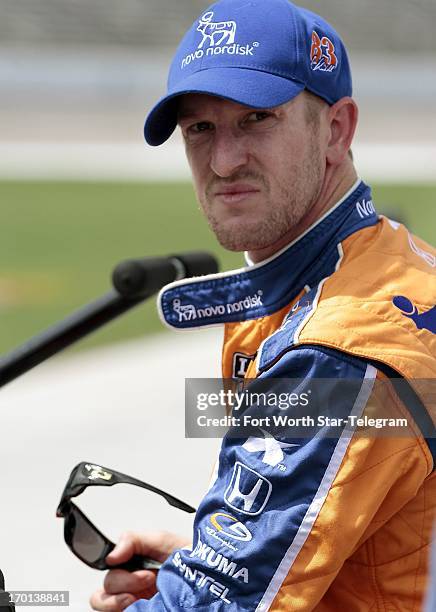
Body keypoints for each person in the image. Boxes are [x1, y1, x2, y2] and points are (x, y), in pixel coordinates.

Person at [90, 0, 436, 610]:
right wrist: (208, 561)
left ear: (336, 129)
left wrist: (208, 584)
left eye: (256, 119)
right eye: (200, 129)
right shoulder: (376, 261)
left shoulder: (342, 346)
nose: (223, 162)